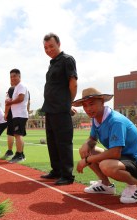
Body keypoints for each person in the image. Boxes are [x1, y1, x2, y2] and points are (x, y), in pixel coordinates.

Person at [74, 87, 137, 204]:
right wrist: (87, 144)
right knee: (86, 150)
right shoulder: (96, 119)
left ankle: (136, 185)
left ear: (102, 102)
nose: (88, 109)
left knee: (106, 166)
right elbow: (93, 139)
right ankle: (106, 185)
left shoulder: (115, 121)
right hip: (122, 158)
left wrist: (87, 160)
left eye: (91, 104)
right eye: (85, 106)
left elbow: (115, 152)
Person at [40, 32, 78, 185]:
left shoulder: (67, 60)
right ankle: (56, 170)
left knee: (63, 142)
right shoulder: (52, 63)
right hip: (50, 109)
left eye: (51, 46)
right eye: (46, 47)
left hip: (61, 109)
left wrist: (69, 104)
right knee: (52, 142)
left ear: (59, 44)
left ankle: (67, 175)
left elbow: (73, 84)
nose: (48, 49)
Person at [4, 69, 30, 163]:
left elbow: (21, 98)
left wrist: (10, 102)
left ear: (19, 76)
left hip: (20, 114)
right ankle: (21, 154)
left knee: (17, 135)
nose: (12, 78)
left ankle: (19, 155)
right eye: (11, 76)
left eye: (14, 76)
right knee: (18, 135)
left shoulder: (21, 86)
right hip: (18, 115)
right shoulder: (17, 87)